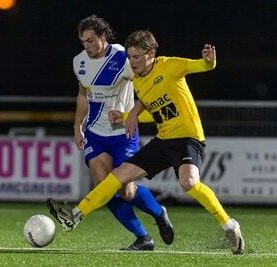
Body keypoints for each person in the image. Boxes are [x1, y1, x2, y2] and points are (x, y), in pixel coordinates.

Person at [47, 30, 245, 254]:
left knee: (188, 182)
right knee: (118, 177)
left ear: (151, 53)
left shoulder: (169, 65)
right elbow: (155, 113)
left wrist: (210, 61)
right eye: (130, 57)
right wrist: (125, 116)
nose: (132, 62)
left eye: (137, 57)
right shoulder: (138, 81)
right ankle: (76, 215)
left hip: (187, 138)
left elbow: (202, 66)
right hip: (162, 140)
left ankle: (228, 225)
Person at [47, 16, 174, 251]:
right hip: (94, 133)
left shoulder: (122, 57)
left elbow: (146, 86)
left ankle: (158, 212)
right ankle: (143, 238)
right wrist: (77, 126)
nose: (87, 46)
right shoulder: (79, 62)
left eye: (91, 40)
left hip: (122, 134)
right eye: (83, 41)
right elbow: (83, 95)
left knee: (127, 191)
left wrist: (134, 113)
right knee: (105, 189)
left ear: (103, 37)